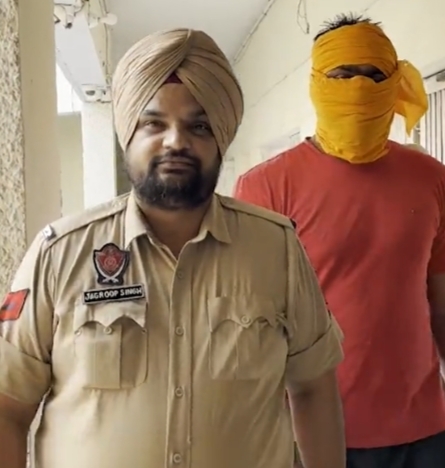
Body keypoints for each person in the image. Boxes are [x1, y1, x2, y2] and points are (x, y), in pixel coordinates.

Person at [0, 28, 346, 468]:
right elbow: (7, 408)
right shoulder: (59, 255)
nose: (176, 141)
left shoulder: (275, 249)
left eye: (198, 125)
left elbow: (313, 387)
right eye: (154, 123)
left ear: (221, 137)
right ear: (128, 134)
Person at [234, 13, 445, 468]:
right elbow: (249, 322)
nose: (359, 87)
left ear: (394, 82)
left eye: (374, 76)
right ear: (317, 83)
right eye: (343, 74)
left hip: (425, 430)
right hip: (314, 431)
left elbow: (440, 297)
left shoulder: (432, 179)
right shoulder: (265, 187)